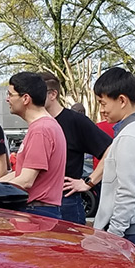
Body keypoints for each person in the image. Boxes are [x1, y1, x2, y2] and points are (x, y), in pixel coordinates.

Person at [0, 71, 66, 220]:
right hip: (37, 211)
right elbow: (19, 173)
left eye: (10, 94)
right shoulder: (43, 126)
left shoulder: (41, 130)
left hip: (36, 213)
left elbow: (26, 180)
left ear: (25, 98)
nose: (7, 99)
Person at [91, 67, 135, 254]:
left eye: (103, 103)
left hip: (129, 232)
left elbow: (127, 193)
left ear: (122, 100)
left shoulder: (129, 136)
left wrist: (112, 236)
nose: (101, 110)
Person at [41, 72, 112, 224]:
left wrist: (88, 182)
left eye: (37, 92)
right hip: (40, 203)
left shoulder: (75, 121)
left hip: (66, 202)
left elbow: (111, 149)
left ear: (53, 94)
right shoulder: (39, 123)